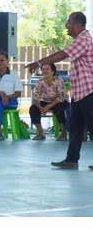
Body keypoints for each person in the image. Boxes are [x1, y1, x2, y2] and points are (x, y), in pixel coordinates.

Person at [26, 12, 93, 170]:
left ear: (78, 25)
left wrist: (39, 62)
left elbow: (63, 54)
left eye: (68, 22)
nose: (66, 26)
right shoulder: (80, 40)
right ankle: (71, 160)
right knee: (75, 126)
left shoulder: (84, 39)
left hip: (88, 91)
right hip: (80, 93)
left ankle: (72, 159)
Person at [29, 63, 69, 141]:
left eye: (47, 69)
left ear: (52, 71)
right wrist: (40, 107)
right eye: (43, 69)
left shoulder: (58, 80)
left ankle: (63, 134)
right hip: (46, 101)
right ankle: (41, 133)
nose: (45, 71)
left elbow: (61, 96)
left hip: (60, 101)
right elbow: (36, 97)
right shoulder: (40, 82)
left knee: (59, 108)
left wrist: (48, 106)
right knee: (33, 108)